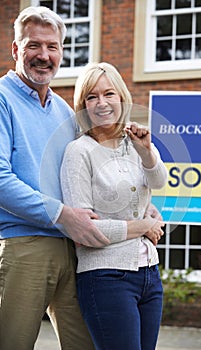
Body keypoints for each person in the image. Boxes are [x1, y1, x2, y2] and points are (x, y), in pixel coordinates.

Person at [0, 6, 111, 350]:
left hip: (74, 250)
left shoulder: (65, 111)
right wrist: (63, 215)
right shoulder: (2, 99)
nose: (43, 56)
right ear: (16, 49)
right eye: (34, 45)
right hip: (25, 248)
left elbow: (92, 174)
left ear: (62, 52)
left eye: (52, 47)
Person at [60, 62, 168, 350]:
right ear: (82, 105)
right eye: (91, 97)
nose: (101, 103)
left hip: (149, 272)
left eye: (109, 94)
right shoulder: (78, 151)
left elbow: (158, 182)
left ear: (122, 97)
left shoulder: (133, 142)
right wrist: (143, 226)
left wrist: (146, 152)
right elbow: (85, 231)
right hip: (106, 277)